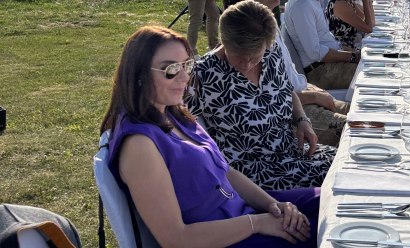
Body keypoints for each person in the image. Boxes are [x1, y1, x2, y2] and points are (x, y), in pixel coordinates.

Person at [101, 26, 319, 248]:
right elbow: (176, 239)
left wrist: (276, 206)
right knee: (322, 232)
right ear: (138, 74)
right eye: (171, 69)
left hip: (241, 214)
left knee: (330, 199)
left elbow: (227, 172)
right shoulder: (139, 146)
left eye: (187, 65)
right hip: (222, 238)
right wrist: (258, 223)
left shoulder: (172, 112)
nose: (184, 77)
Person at [187, 1, 335, 190]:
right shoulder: (202, 75)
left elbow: (287, 92)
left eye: (255, 56)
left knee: (349, 163)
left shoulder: (271, 54)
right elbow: (188, 133)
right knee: (338, 178)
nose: (247, 64)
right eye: (239, 56)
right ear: (224, 40)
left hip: (292, 152)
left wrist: (301, 119)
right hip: (254, 173)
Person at [237, 0, 349, 147]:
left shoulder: (269, 20)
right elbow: (267, 96)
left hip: (303, 95)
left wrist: (313, 90)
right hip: (292, 113)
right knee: (356, 129)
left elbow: (290, 75)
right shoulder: (249, 34)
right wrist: (313, 96)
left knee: (358, 111)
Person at [283, 0, 359, 89]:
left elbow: (323, 39)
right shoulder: (302, 3)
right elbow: (315, 52)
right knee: (369, 75)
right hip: (320, 72)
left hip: (327, 65)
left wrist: (348, 51)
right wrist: (352, 57)